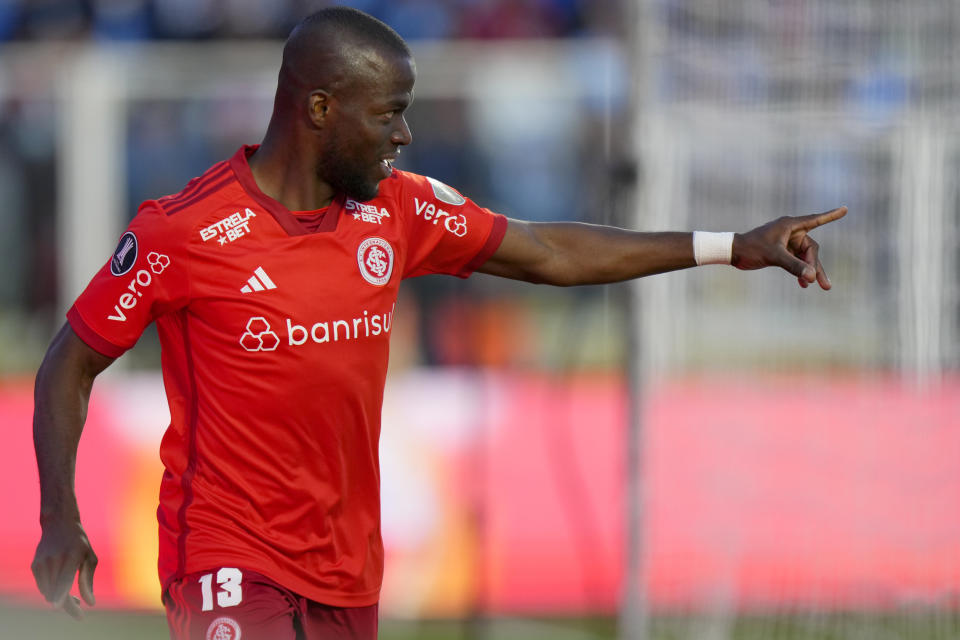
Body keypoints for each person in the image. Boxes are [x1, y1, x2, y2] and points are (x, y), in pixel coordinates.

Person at [30, 6, 846, 640]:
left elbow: (549, 251)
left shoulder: (399, 210)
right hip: (224, 554)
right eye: (388, 113)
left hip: (348, 568)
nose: (405, 134)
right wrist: (60, 513)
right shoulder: (184, 231)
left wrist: (730, 246)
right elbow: (70, 361)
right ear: (320, 109)